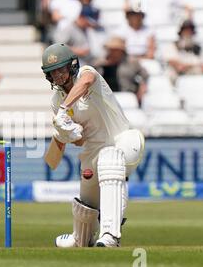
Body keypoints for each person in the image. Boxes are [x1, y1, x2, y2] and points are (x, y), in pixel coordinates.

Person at [41, 43, 145, 247]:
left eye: (61, 69)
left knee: (110, 161)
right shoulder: (56, 100)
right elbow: (79, 141)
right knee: (87, 202)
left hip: (122, 140)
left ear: (71, 66)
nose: (58, 76)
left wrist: (64, 109)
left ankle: (110, 235)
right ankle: (81, 238)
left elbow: (86, 82)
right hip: (92, 150)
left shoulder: (86, 74)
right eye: (53, 73)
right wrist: (68, 133)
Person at [95, 37, 148, 105]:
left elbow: (144, 75)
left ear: (121, 50)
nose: (112, 52)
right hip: (106, 97)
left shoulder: (132, 62)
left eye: (115, 50)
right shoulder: (100, 63)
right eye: (111, 49)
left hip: (127, 95)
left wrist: (142, 88)